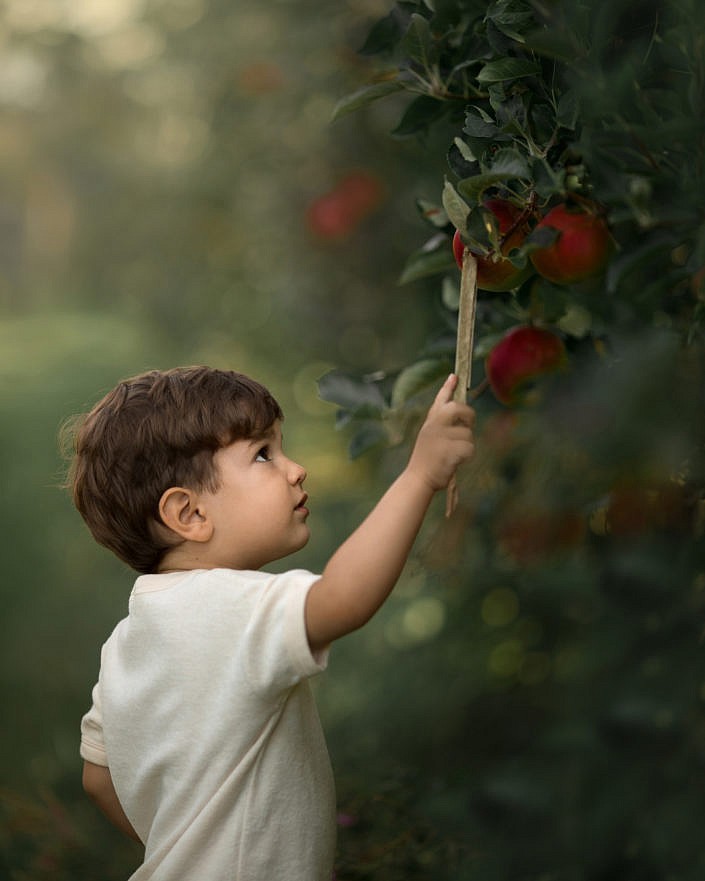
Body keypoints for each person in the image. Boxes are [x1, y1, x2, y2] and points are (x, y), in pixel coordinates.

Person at [66, 365, 475, 880]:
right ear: (188, 514)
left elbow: (97, 777)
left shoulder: (127, 640)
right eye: (263, 454)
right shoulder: (226, 608)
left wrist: (185, 847)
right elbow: (344, 599)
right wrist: (420, 476)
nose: (296, 468)